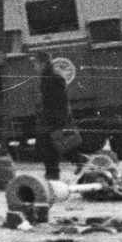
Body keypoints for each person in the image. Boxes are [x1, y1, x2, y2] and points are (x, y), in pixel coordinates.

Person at [34, 50, 82, 181]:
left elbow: (61, 100)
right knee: (53, 145)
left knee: (52, 145)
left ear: (42, 63)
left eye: (36, 63)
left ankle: (55, 173)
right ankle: (55, 172)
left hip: (54, 118)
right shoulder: (47, 76)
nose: (35, 67)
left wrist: (58, 119)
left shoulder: (53, 77)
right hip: (50, 117)